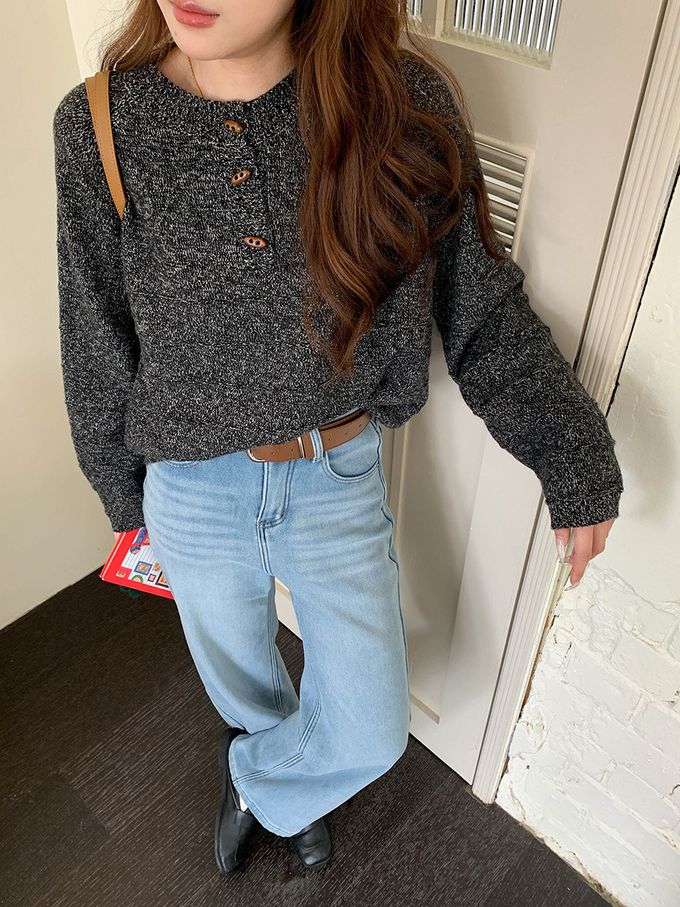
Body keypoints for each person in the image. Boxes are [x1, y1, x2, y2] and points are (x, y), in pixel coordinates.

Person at [52, 0, 624, 875]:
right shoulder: (99, 126)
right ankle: (279, 767)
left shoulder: (403, 107)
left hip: (334, 477)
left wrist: (571, 452)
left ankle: (263, 784)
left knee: (368, 725)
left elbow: (478, 307)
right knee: (242, 679)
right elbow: (95, 332)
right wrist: (123, 496)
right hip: (189, 488)